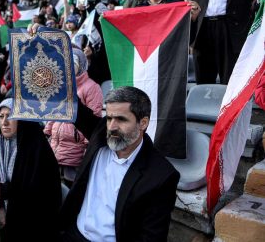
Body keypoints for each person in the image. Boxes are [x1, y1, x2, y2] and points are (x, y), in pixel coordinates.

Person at [60, 86, 180, 241]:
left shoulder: (161, 176)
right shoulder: (100, 133)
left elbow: (151, 237)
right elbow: (71, 105)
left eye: (121, 119)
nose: (111, 127)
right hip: (72, 235)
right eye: (109, 118)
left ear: (143, 123)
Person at [0, 99, 61, 241]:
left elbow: (36, 196)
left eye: (10, 116)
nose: (4, 122)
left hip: (30, 224)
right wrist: (0, 207)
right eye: (1, 116)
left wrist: (4, 194)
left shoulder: (37, 148)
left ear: (22, 118)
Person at [44, 48, 103, 186]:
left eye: (74, 63)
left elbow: (94, 118)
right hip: (56, 148)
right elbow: (55, 111)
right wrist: (48, 130)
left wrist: (87, 148)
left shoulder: (92, 88)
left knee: (71, 188)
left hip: (75, 151)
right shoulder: (62, 86)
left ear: (82, 64)